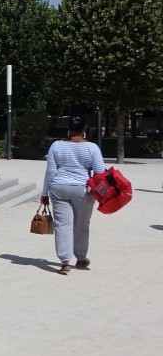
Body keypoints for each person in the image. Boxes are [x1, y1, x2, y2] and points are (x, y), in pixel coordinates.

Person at [40, 116, 105, 274]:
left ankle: (65, 261)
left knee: (62, 225)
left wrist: (44, 193)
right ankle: (81, 258)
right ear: (85, 128)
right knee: (82, 225)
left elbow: (50, 171)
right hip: (82, 189)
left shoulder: (57, 145)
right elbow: (100, 173)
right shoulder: (92, 148)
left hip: (58, 187)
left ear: (68, 128)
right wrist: (103, 195)